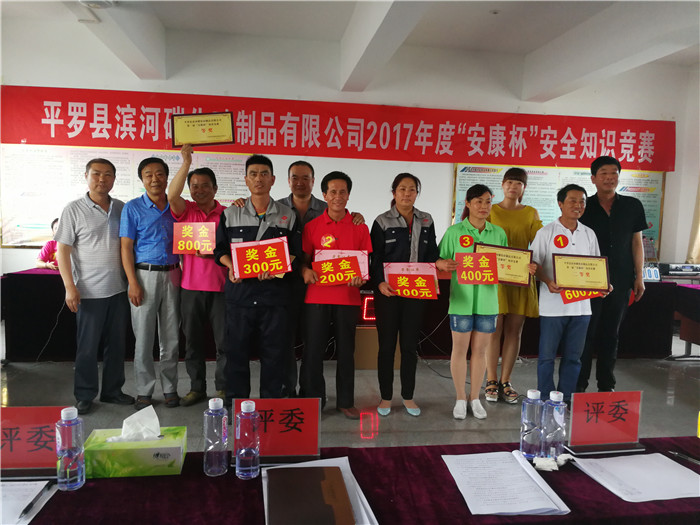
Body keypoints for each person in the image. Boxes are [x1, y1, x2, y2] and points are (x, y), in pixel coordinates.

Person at [232, 160, 364, 397]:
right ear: (287, 180)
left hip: (319, 286)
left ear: (313, 182)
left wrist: (356, 216)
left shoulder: (327, 207)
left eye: (305, 178)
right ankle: (288, 389)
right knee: (286, 341)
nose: (300, 182)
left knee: (316, 344)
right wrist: (241, 203)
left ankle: (314, 394)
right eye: (295, 177)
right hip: (285, 285)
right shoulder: (277, 207)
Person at [214, 154, 300, 402]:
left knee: (274, 356)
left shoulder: (287, 215)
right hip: (240, 297)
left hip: (275, 298)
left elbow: (295, 253)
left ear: (273, 179)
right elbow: (220, 251)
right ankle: (237, 405)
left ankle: (269, 406)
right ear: (246, 180)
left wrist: (276, 269)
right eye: (253, 174)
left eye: (264, 174)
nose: (258, 179)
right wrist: (231, 266)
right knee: (236, 354)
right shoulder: (231, 213)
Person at [55, 159, 134, 414]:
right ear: (86, 176)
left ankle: (113, 391)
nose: (102, 179)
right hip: (89, 292)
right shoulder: (73, 209)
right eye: (97, 174)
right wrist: (70, 286)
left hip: (119, 289)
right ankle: (85, 394)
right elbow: (62, 250)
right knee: (87, 347)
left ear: (114, 179)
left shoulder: (121, 207)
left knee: (117, 345)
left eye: (108, 174)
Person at [301, 171, 372, 419]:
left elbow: (364, 266)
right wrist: (305, 271)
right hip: (316, 298)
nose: (338, 197)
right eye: (333, 192)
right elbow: (304, 261)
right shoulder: (312, 227)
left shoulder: (360, 227)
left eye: (343, 192)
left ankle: (346, 401)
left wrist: (361, 278)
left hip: (348, 298)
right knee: (313, 352)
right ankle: (313, 401)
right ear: (324, 195)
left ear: (349, 195)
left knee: (346, 352)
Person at [370, 173, 439, 417]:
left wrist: (439, 263)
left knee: (409, 346)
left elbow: (432, 253)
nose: (407, 193)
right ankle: (386, 397)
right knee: (387, 346)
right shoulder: (382, 221)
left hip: (416, 291)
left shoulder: (426, 219)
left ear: (417, 193)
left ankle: (408, 396)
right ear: (394, 192)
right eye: (402, 189)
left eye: (412, 189)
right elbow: (375, 257)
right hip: (388, 292)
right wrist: (379, 283)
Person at [577, 156, 647, 393]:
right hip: (587, 281)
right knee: (586, 333)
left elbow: (636, 243)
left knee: (611, 334)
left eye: (614, 173)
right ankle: (579, 386)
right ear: (593, 178)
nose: (609, 178)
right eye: (604, 173)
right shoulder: (583, 207)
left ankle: (606, 386)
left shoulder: (632, 206)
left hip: (621, 279)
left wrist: (639, 276)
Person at [531, 184, 607, 402]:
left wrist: (603, 286)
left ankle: (565, 399)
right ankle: (546, 399)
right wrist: (548, 281)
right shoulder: (546, 232)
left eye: (582, 201)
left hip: (581, 308)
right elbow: (534, 265)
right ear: (560, 204)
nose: (578, 205)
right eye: (572, 200)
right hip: (552, 307)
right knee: (547, 357)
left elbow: (596, 267)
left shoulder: (589, 234)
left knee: (574, 358)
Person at [437, 184, 507, 420]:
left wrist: (522, 268)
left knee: (480, 352)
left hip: (488, 303)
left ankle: (475, 398)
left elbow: (507, 265)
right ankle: (460, 397)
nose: (483, 206)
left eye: (488, 202)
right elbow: (439, 259)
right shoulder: (454, 232)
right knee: (459, 350)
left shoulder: (498, 233)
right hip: (461, 301)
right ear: (467, 203)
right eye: (478, 201)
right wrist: (441, 263)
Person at [167, 144, 228, 406]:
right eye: (194, 186)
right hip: (190, 288)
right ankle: (196, 388)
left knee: (224, 343)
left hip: (222, 289)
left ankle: (223, 388)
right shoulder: (186, 211)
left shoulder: (228, 214)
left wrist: (214, 253)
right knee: (193, 342)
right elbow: (171, 195)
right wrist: (186, 163)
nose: (199, 190)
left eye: (205, 186)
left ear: (215, 188)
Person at [120, 157, 181, 411]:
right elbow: (126, 247)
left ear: (167, 178)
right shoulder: (132, 208)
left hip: (174, 274)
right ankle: (144, 390)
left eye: (159, 174)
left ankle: (170, 388)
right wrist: (132, 282)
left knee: (171, 337)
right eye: (148, 175)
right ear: (142, 179)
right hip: (144, 276)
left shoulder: (177, 206)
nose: (154, 179)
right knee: (144, 338)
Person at [485, 168, 541, 404]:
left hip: (520, 277)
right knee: (493, 330)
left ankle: (506, 381)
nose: (513, 187)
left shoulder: (530, 212)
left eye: (518, 183)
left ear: (524, 188)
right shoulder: (491, 210)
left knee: (514, 331)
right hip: (495, 279)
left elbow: (539, 243)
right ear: (502, 184)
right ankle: (491, 379)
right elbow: (481, 240)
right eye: (509, 182)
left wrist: (536, 262)